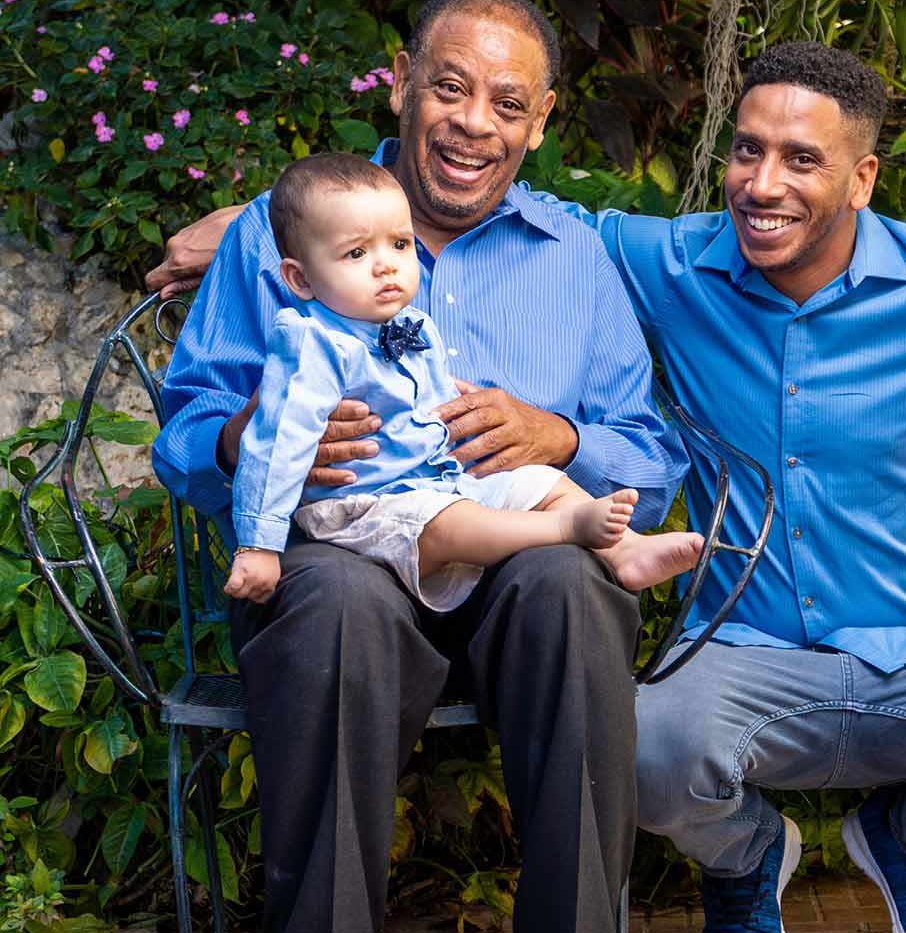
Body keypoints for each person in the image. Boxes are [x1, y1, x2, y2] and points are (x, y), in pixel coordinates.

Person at [153, 29, 906, 933]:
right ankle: (748, 860)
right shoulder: (669, 259)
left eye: (801, 159)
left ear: (861, 178)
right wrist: (260, 220)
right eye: (747, 151)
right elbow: (460, 193)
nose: (763, 184)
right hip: (740, 661)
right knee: (639, 745)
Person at [152, 0, 689, 933]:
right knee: (334, 612)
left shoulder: (576, 258)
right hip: (344, 560)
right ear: (400, 82)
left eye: (506, 102)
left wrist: (556, 433)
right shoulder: (280, 234)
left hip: (511, 564)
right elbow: (185, 432)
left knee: (569, 589)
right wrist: (250, 437)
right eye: (448, 86)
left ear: (540, 123)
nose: (471, 122)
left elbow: (646, 447)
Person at [226, 152, 701, 606]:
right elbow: (276, 444)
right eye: (355, 252)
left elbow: (437, 412)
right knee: (447, 522)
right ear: (301, 280)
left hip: (440, 483)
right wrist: (258, 545)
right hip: (365, 507)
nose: (386, 264)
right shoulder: (312, 345)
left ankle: (626, 551)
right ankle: (566, 528)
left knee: (539, 480)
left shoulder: (413, 327)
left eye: (399, 244)